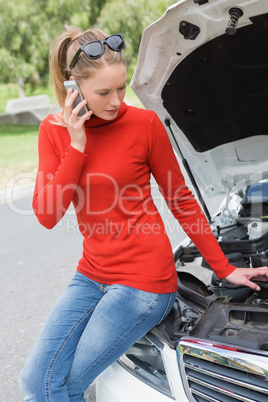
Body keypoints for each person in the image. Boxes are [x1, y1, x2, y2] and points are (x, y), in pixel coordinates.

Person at [19, 25, 268, 401]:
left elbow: (181, 199)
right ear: (73, 86)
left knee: (59, 387)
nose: (117, 100)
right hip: (90, 275)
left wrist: (224, 267)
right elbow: (47, 214)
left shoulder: (144, 125)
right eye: (103, 92)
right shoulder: (53, 131)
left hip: (143, 284)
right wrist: (77, 144)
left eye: (121, 88)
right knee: (34, 382)